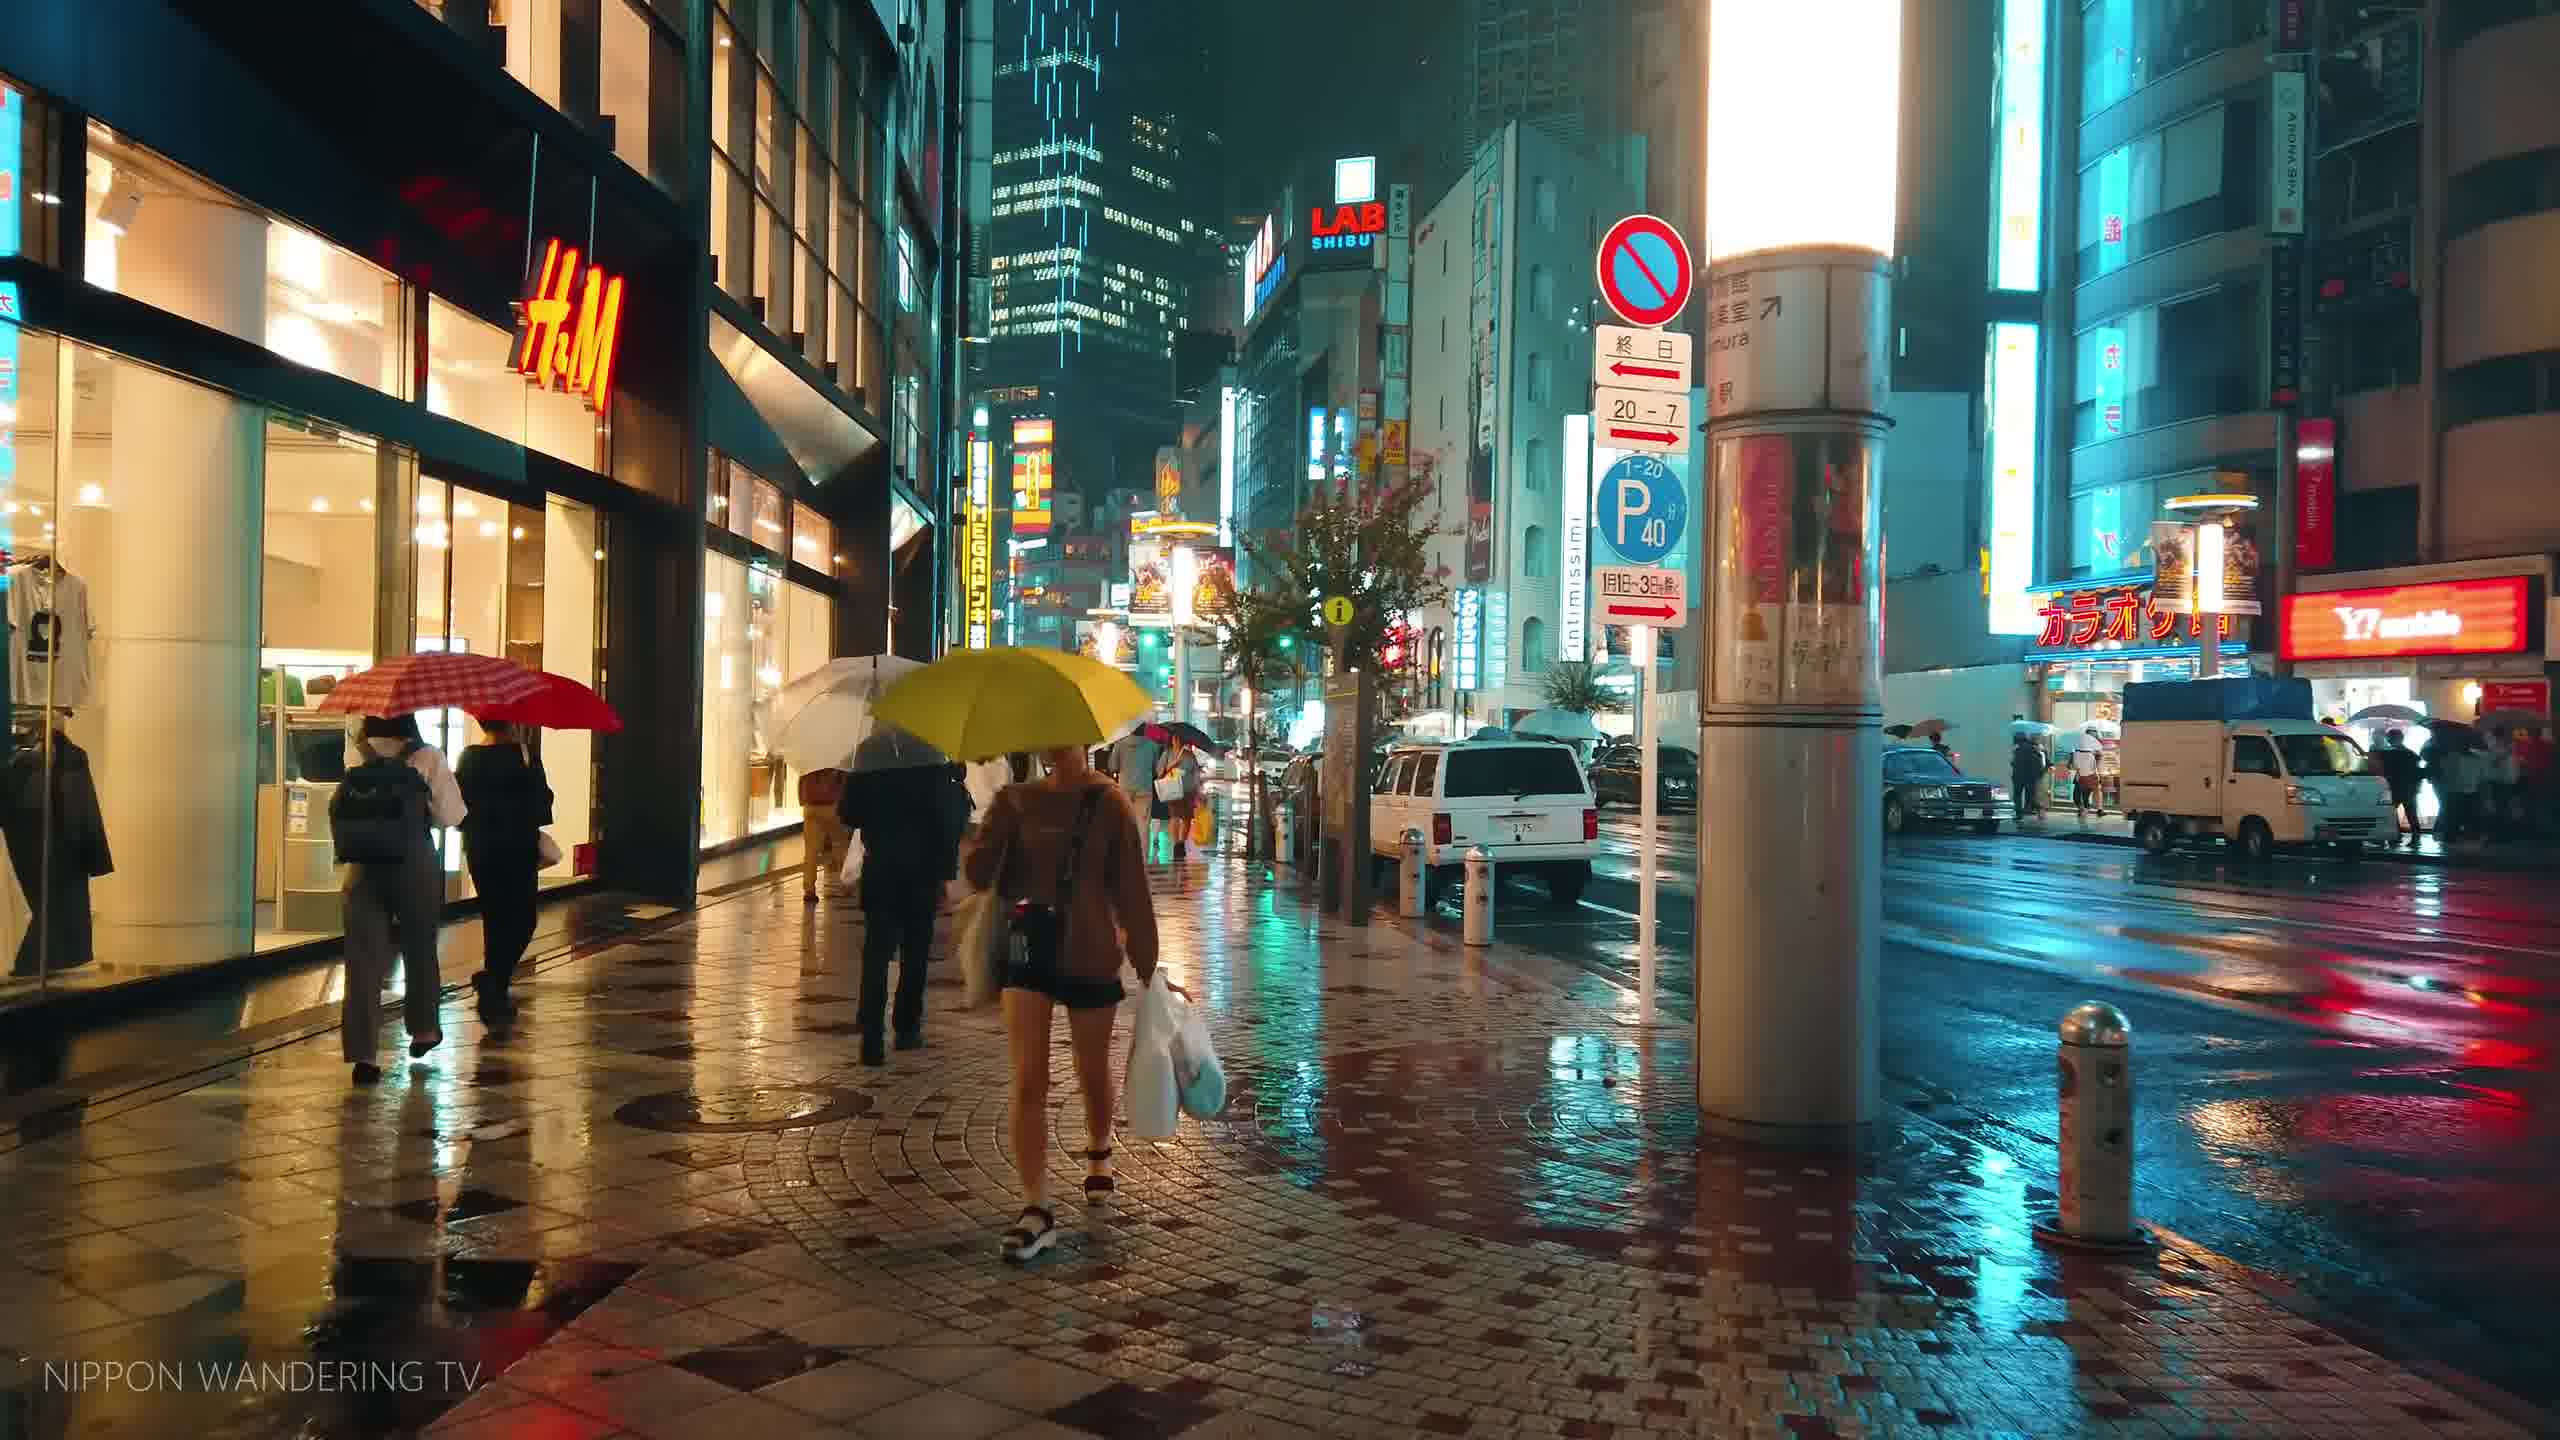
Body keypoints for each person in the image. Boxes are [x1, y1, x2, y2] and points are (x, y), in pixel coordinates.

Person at [962, 745, 1171, 1263]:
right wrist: (992, 827)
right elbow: (981, 875)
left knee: (1092, 1070)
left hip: (1092, 951)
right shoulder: (1015, 799)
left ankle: (1099, 1151)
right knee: (1029, 1077)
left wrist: (1149, 969)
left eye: (1066, 734)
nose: (1056, 743)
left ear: (1084, 738)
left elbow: (1131, 890)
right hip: (1026, 949)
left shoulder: (1110, 803)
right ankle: (1036, 1207)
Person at [339, 714, 465, 1085]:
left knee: (363, 960)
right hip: (413, 862)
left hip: (361, 865)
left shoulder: (355, 753)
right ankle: (424, 1029)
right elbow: (450, 816)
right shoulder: (428, 756)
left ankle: (363, 1055)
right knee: (419, 946)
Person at [837, 731, 971, 1067]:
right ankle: (907, 1028)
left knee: (876, 953)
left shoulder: (867, 752)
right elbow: (945, 820)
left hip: (880, 866)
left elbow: (849, 813)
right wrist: (944, 874)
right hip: (921, 872)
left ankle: (871, 1037)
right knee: (915, 953)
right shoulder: (932, 753)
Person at [455, 719, 551, 1017]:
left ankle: (494, 988)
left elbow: (460, 805)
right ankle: (494, 983)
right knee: (523, 919)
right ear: (513, 724)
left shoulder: (468, 757)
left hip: (481, 847)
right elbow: (542, 806)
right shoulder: (524, 756)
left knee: (494, 917)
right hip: (517, 846)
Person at [798, 763, 850, 903]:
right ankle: (846, 884)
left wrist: (804, 802)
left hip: (811, 807)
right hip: (832, 807)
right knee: (840, 845)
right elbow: (845, 783)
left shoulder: (809, 759)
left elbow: (801, 780)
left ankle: (809, 889)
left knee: (810, 851)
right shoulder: (837, 760)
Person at [1156, 738, 1205, 861]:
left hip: (1188, 791)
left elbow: (1196, 773)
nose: (1176, 741)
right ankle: (1176, 844)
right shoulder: (1168, 753)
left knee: (1187, 818)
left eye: (1178, 739)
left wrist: (1198, 791)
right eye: (1174, 738)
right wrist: (1174, 764)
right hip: (1173, 789)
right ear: (1171, 740)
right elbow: (1159, 771)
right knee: (1175, 817)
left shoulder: (1189, 755)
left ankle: (1181, 842)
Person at [2376, 728, 2423, 846]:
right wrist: (2416, 788)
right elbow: (2417, 772)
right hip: (2408, 788)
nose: (2389, 740)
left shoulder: (2386, 754)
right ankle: (2415, 838)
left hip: (2394, 788)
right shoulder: (2410, 754)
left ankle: (2395, 837)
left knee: (2392, 813)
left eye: (2390, 738)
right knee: (2411, 814)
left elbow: (2382, 771)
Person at [2071, 726, 2104, 819]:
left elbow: (2099, 760)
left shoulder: (2096, 747)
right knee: (2076, 796)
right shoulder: (2080, 744)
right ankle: (2083, 809)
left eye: (2093, 734)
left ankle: (2085, 810)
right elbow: (2073, 757)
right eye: (2089, 733)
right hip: (2080, 774)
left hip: (2090, 774)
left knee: (2085, 794)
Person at [2009, 732, 2044, 821]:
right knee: (2031, 795)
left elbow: (2013, 763)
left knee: (2017, 795)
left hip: (2018, 777)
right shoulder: (2034, 748)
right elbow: (2039, 763)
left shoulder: (2017, 749)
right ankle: (2036, 810)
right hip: (2030, 777)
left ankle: (2019, 814)